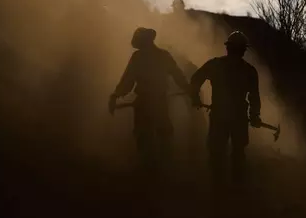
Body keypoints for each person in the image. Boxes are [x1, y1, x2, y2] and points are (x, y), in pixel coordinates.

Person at [109, 27, 191, 175]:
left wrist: (116, 95)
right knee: (157, 134)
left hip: (148, 102)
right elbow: (178, 76)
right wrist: (116, 94)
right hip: (154, 101)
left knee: (152, 134)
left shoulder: (140, 57)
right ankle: (157, 168)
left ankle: (154, 168)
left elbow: (128, 81)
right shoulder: (159, 56)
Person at [190, 31, 262, 187]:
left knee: (218, 151)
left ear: (228, 48)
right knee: (237, 152)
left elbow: (195, 79)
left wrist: (195, 98)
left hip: (220, 115)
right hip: (237, 117)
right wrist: (254, 115)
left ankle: (218, 186)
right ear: (243, 50)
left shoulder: (216, 64)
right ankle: (235, 187)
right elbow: (254, 97)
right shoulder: (249, 70)